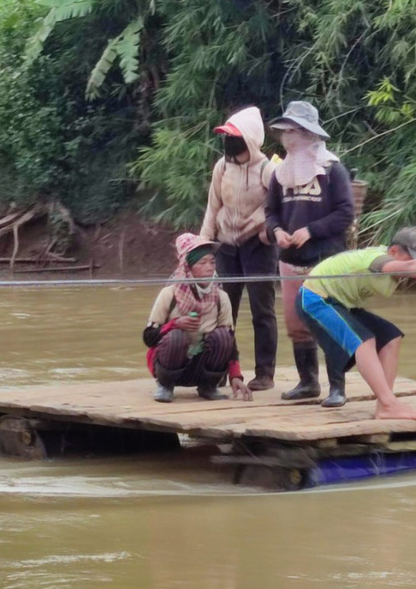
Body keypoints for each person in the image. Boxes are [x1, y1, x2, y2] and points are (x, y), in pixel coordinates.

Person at [296, 227, 416, 421]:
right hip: (316, 298)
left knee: (391, 337)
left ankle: (384, 406)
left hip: (342, 303)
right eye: (411, 259)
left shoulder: (401, 264)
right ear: (393, 251)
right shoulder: (377, 260)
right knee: (364, 342)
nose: (414, 266)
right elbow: (412, 268)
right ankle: (389, 403)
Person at [264, 100, 356, 403]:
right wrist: (277, 231)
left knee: (328, 321)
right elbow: (271, 212)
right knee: (295, 322)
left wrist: (311, 230)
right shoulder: (279, 174)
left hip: (325, 257)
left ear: (309, 134)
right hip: (290, 259)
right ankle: (307, 382)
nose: (289, 138)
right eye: (285, 132)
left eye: (295, 131)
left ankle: (337, 387)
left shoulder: (332, 169)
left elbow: (346, 213)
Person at [198, 105, 279, 392]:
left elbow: (277, 209)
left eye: (237, 141)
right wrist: (201, 248)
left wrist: (262, 225)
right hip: (226, 246)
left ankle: (265, 374)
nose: (231, 147)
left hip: (258, 246)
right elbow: (213, 207)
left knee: (262, 311)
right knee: (222, 311)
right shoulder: (222, 167)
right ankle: (222, 370)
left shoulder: (269, 170)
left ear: (251, 140)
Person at [144, 234, 250, 403]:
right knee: (176, 337)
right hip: (172, 360)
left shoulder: (221, 297)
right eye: (202, 263)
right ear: (188, 267)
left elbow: (230, 340)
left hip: (202, 364)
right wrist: (174, 324)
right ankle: (165, 386)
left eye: (212, 262)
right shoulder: (169, 294)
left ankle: (208, 386)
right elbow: (148, 337)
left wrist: (236, 376)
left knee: (223, 336)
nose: (210, 268)